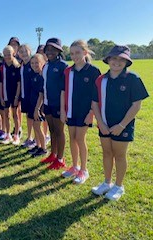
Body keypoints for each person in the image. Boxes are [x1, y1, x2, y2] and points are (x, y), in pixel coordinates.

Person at [91, 45, 148, 200]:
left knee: (119, 155)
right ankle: (107, 182)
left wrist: (122, 125)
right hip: (104, 124)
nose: (117, 62)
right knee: (107, 153)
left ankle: (118, 186)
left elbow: (136, 105)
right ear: (108, 59)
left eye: (121, 59)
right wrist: (101, 123)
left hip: (123, 126)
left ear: (127, 62)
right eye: (114, 58)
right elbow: (94, 103)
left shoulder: (133, 79)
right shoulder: (100, 80)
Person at [60, 40, 101, 184]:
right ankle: (75, 166)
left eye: (77, 52)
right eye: (71, 53)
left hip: (85, 112)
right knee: (72, 138)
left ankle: (84, 170)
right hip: (70, 111)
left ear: (85, 52)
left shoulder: (93, 71)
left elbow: (97, 95)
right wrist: (63, 110)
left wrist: (92, 113)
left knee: (79, 138)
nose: (74, 56)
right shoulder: (68, 71)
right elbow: (63, 92)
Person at [38, 38, 68, 169]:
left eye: (53, 49)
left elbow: (65, 88)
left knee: (59, 130)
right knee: (51, 130)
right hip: (47, 103)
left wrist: (63, 107)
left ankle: (60, 159)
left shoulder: (63, 66)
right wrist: (42, 103)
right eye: (47, 49)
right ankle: (53, 154)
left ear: (59, 50)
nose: (50, 52)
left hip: (58, 104)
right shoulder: (46, 65)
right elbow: (44, 85)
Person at [0, 45, 21, 145]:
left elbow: (19, 84)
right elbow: (0, 83)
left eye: (9, 54)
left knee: (15, 115)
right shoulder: (2, 67)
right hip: (5, 94)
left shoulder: (17, 67)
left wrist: (17, 97)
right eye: (5, 54)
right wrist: (1, 96)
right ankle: (8, 135)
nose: (7, 56)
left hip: (14, 95)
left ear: (13, 53)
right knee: (6, 115)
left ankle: (16, 135)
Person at [29, 54, 48, 157]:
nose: (34, 65)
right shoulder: (34, 75)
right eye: (32, 63)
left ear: (42, 63)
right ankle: (38, 145)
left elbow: (41, 95)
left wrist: (37, 109)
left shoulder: (41, 77)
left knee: (37, 126)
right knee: (35, 127)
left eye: (37, 62)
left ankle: (43, 148)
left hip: (39, 107)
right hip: (33, 104)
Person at [18, 44, 36, 148]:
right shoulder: (22, 65)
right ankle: (29, 137)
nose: (24, 53)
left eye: (25, 51)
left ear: (30, 51)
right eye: (21, 52)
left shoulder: (33, 64)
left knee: (35, 119)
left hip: (33, 97)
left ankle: (36, 139)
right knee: (28, 117)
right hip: (25, 96)